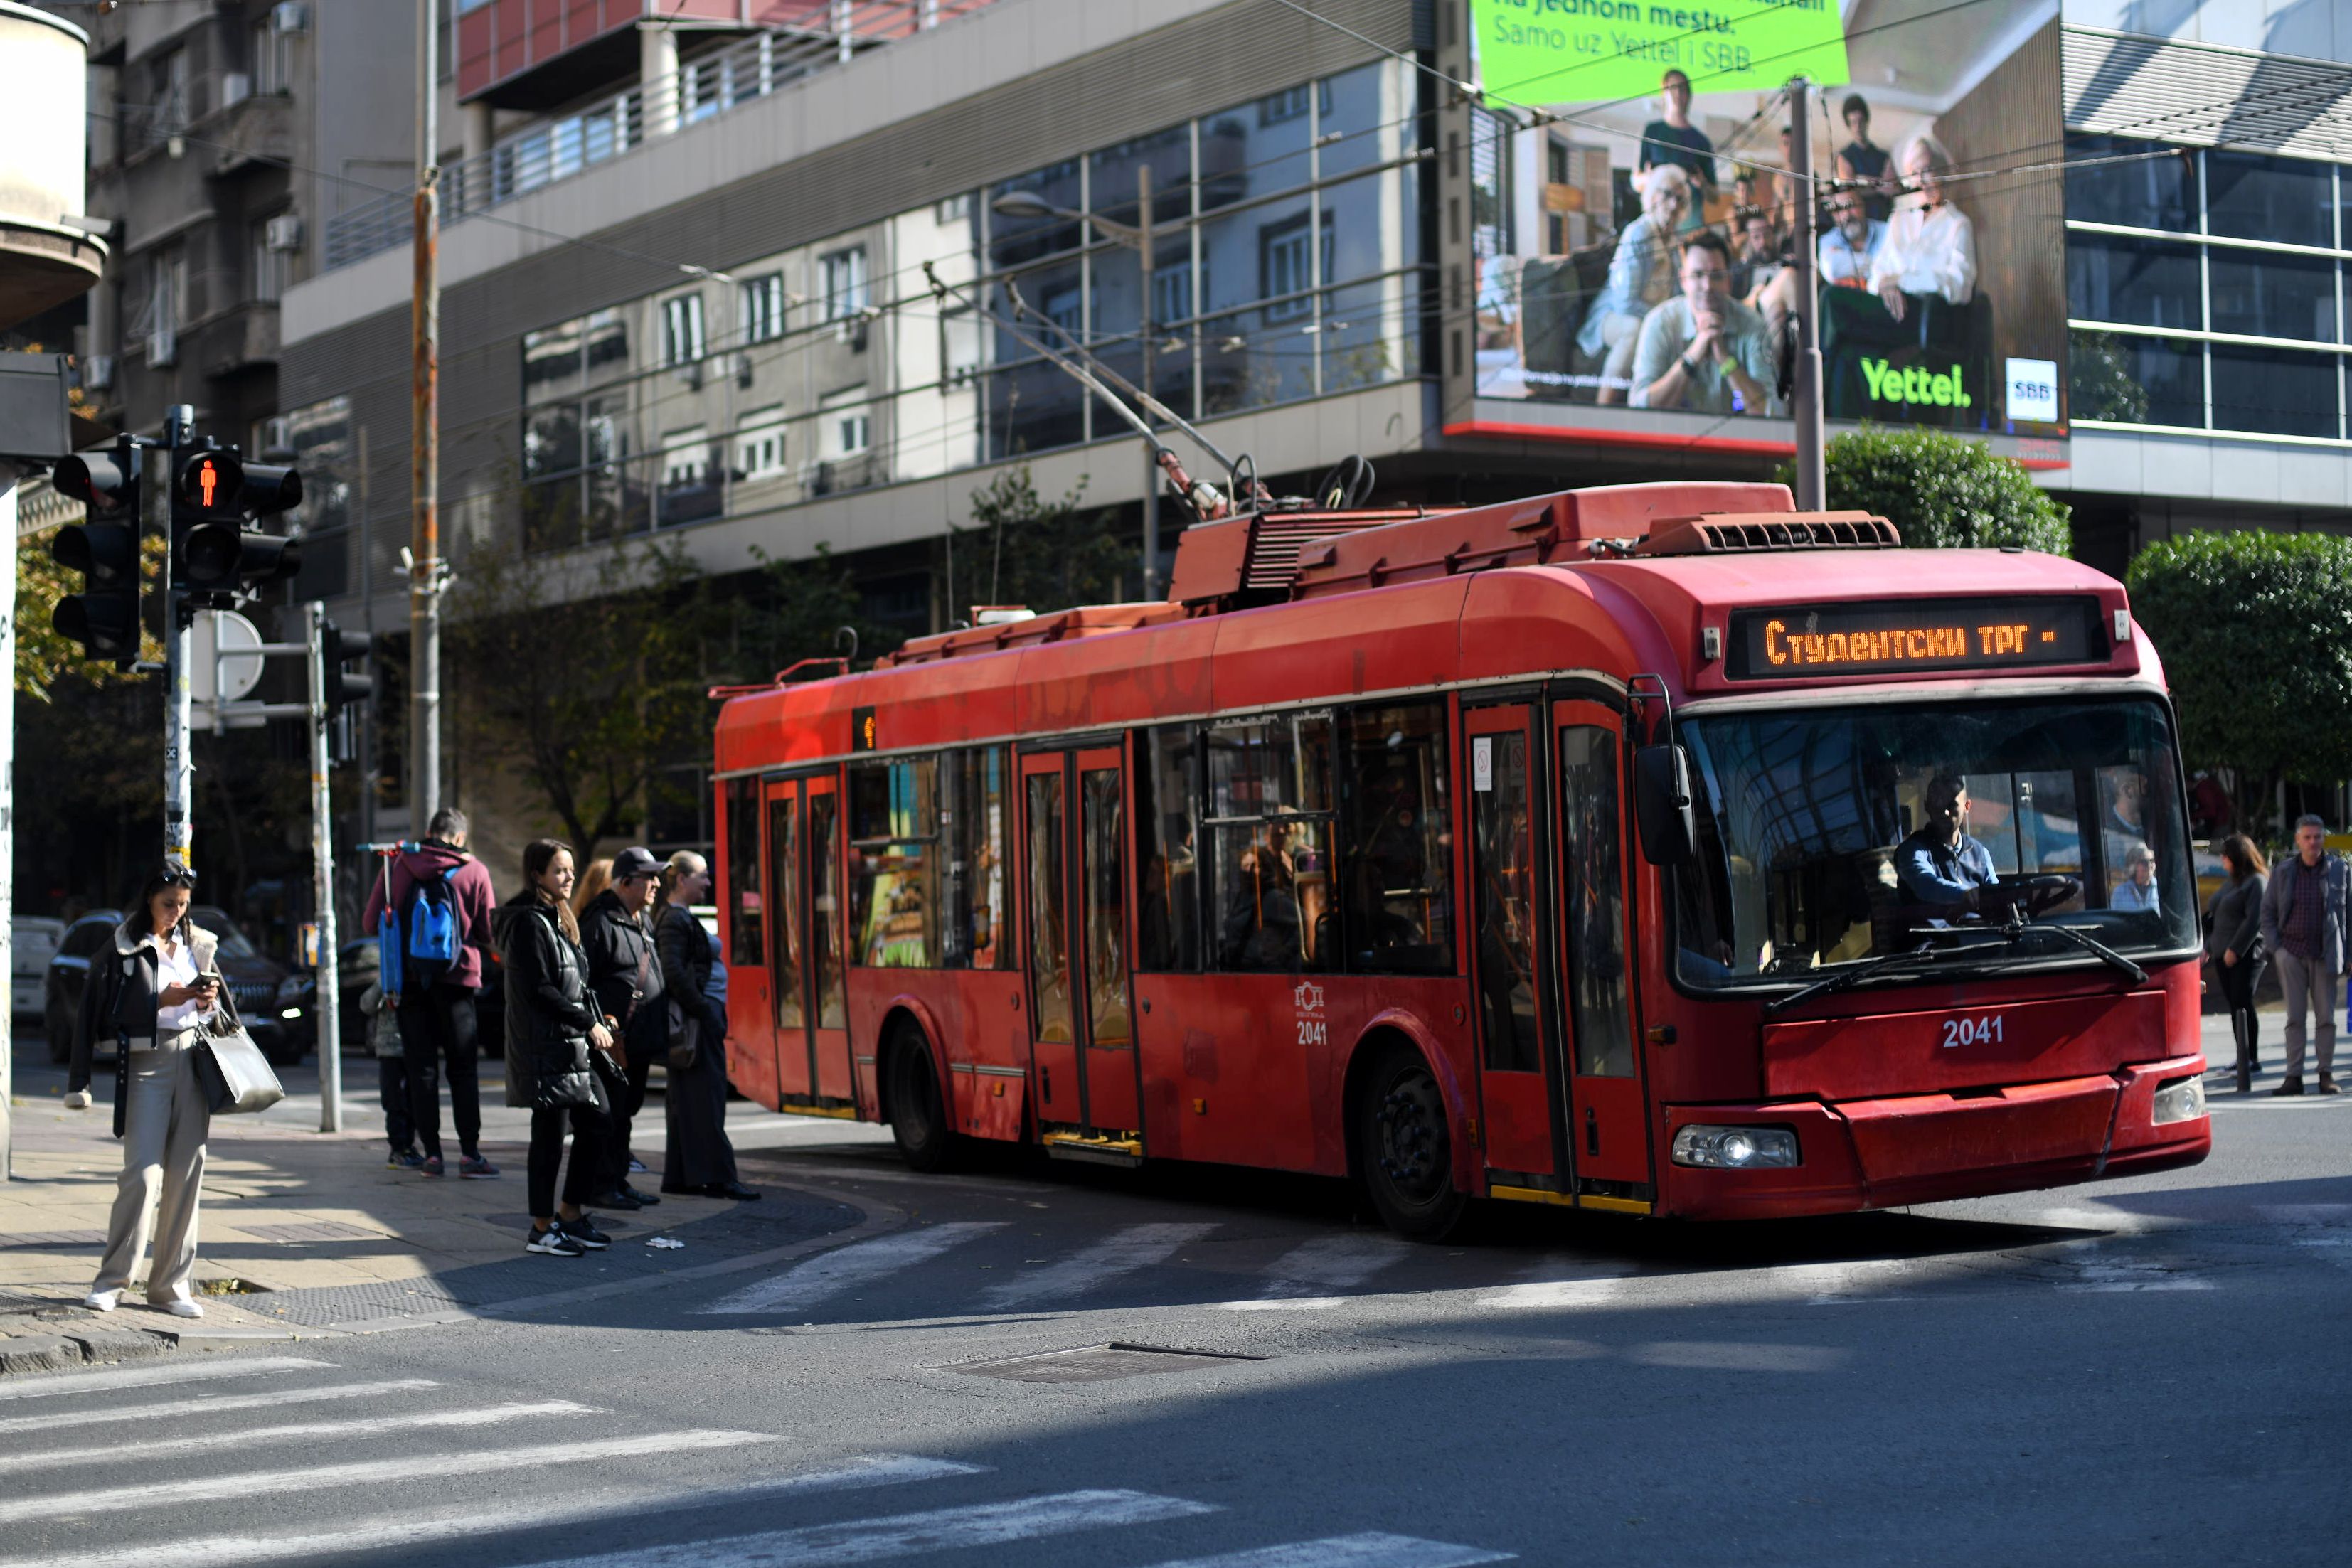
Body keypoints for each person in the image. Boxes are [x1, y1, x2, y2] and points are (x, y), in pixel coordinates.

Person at [65, 862, 223, 1318]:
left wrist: (205, 1002)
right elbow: (100, 1013)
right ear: (149, 899)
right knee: (142, 1174)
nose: (176, 912)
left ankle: (171, 1287)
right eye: (168, 903)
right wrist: (159, 1001)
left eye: (183, 905)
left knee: (187, 1174)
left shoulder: (197, 945)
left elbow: (217, 1015)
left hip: (194, 1059)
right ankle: (112, 1282)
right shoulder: (125, 946)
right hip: (145, 1064)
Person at [361, 808, 499, 1180]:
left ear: (428, 832)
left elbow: (371, 922)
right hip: (459, 979)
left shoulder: (398, 864)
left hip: (411, 980)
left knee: (421, 1070)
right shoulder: (475, 870)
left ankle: (433, 1156)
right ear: (460, 837)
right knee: (463, 1070)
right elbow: (487, 931)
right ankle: (470, 1154)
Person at [496, 839, 617, 1257]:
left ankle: (570, 1214)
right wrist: (588, 1023)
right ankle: (541, 1228)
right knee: (548, 1138)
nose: (569, 877)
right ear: (537, 875)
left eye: (571, 869)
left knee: (598, 1120)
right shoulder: (529, 923)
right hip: (545, 1046)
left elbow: (574, 982)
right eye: (560, 870)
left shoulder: (559, 917)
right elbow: (540, 989)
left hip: (570, 1045)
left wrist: (597, 1018)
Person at [655, 851, 757, 1200]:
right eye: (702, 876)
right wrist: (704, 1011)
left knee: (691, 1099)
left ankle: (682, 1177)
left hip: (700, 1014)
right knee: (707, 1098)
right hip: (699, 1018)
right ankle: (718, 1178)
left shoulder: (678, 917)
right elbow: (673, 972)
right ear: (682, 879)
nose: (708, 883)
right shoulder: (674, 919)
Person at [579, 846, 667, 1207]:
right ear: (627, 881)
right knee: (609, 1117)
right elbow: (584, 983)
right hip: (613, 1044)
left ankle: (618, 1179)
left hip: (638, 1042)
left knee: (625, 1114)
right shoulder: (600, 921)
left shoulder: (641, 919)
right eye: (650, 878)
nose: (657, 884)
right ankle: (602, 1187)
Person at [1629, 231, 1782, 416]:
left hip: (1733, 433)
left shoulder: (1752, 325)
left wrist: (1725, 360)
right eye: (1697, 275)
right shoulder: (1659, 323)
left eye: (1716, 276)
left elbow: (1773, 412)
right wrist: (1692, 357)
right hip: (1672, 433)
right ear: (1683, 280)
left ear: (1729, 281)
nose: (1708, 286)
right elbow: (1639, 408)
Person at [1575, 164, 1690, 404]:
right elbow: (1624, 302)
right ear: (1653, 196)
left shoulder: (1673, 240)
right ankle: (1604, 406)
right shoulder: (1639, 233)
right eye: (1667, 195)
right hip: (1613, 316)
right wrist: (1658, 320)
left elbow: (1677, 293)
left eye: (1680, 199)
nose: (1673, 205)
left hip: (1652, 316)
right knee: (1634, 330)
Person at [2257, 814, 2348, 1096]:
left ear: (2323, 839)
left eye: (2317, 837)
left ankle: (2325, 1075)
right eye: (2307, 837)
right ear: (2298, 840)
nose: (2313, 842)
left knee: (2326, 1018)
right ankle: (2293, 1076)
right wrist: (2278, 950)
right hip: (2291, 954)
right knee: (2295, 1018)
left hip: (2326, 954)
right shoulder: (2284, 871)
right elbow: (2267, 913)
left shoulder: (2339, 869)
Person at [1866, 133, 1976, 324]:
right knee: (1834, 299)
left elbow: (1961, 287)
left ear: (1942, 173)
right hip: (1889, 312)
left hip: (1929, 318)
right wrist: (1885, 286)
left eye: (1927, 170)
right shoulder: (1898, 220)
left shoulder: (1958, 224)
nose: (1921, 181)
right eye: (1914, 173)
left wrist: (1901, 281)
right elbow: (1875, 277)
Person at [2205, 833, 2268, 1092]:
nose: (2222, 859)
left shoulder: (2256, 882)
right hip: (2222, 952)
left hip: (2246, 954)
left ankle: (2251, 1059)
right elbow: (2215, 915)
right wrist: (2208, 947)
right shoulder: (2232, 882)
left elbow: (2254, 920)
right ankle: (2242, 1057)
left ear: (2237, 856)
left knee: (2243, 1001)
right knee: (2234, 1004)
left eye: (2226, 854)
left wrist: (2236, 949)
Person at [1894, 774, 2003, 919]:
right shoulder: (1912, 850)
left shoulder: (1980, 853)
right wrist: (1966, 894)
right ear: (1927, 807)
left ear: (1967, 806)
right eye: (1937, 805)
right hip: (1931, 933)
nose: (1945, 812)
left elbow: (1997, 895)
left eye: (1952, 805)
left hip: (1980, 930)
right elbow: (1926, 885)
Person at [359, 977, 419, 1169]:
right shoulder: (388, 977)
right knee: (394, 1102)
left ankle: (408, 1146)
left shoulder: (417, 976)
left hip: (415, 1048)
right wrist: (384, 983)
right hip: (390, 1050)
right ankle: (398, 1149)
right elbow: (366, 1005)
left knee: (414, 1101)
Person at [1637, 69, 1716, 202]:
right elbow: (1636, 181)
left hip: (1690, 210)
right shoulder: (1651, 132)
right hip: (1659, 208)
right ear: (1664, 93)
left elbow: (1715, 196)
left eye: (1683, 88)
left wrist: (1702, 184)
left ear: (1689, 94)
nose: (1678, 93)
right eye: (1673, 88)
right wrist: (1650, 178)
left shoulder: (1701, 141)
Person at [1834, 92, 1895, 221]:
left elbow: (1893, 188)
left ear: (1867, 121)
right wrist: (1880, 184)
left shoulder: (1883, 156)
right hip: (1861, 223)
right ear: (1848, 125)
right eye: (1853, 123)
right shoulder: (1844, 157)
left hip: (1885, 219)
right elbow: (1850, 192)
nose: (1857, 127)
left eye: (1860, 121)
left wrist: (1862, 181)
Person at [1817, 188, 1885, 287]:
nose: (1846, 215)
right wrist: (1880, 266)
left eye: (1850, 206)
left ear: (1863, 206)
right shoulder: (1828, 240)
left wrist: (1844, 259)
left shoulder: (1887, 231)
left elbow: (1897, 269)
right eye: (1839, 209)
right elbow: (1833, 271)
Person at [2112, 843, 2161, 913]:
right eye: (2144, 862)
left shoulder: (2161, 888)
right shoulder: (2120, 892)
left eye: (2152, 860)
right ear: (2133, 866)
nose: (2149, 865)